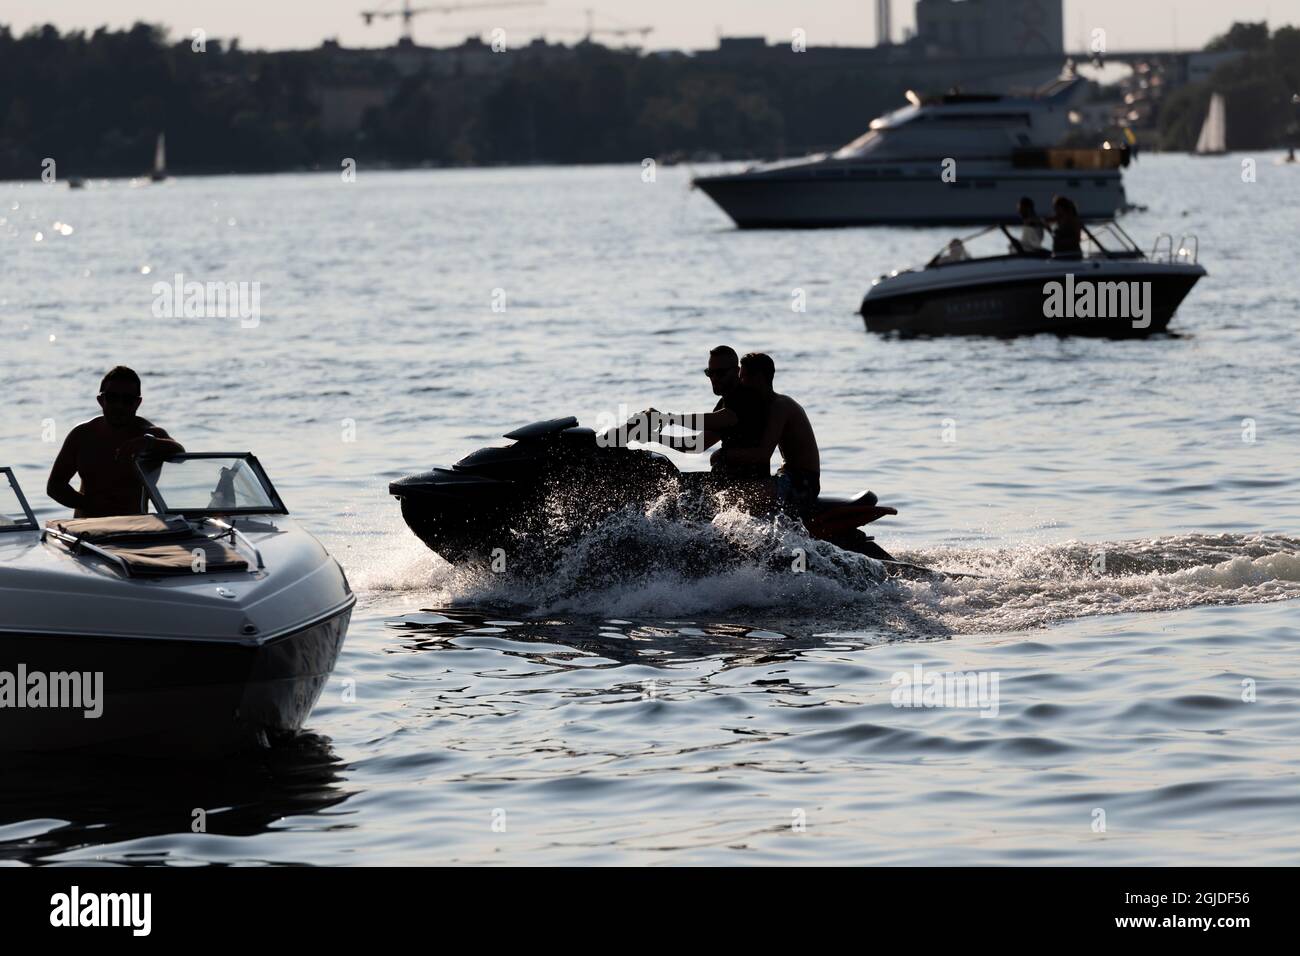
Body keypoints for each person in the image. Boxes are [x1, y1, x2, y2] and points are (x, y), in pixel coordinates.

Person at [47, 366, 185, 518]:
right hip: (88, 530)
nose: (119, 405)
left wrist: (148, 443)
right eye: (112, 398)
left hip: (135, 530)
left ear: (137, 403)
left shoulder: (150, 434)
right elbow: (55, 486)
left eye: (127, 400)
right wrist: (90, 504)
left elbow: (180, 454)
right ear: (101, 400)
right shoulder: (81, 435)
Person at [632, 346, 771, 481]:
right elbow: (696, 444)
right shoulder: (723, 403)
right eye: (710, 373)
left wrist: (666, 418)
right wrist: (654, 436)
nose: (714, 378)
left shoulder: (746, 398)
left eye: (721, 373)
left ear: (737, 371)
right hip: (722, 480)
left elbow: (720, 419)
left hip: (745, 484)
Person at [715, 353, 822, 519]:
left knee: (730, 499)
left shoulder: (779, 406)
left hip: (801, 482)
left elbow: (762, 454)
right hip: (784, 476)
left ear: (758, 378)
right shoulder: (762, 406)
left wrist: (724, 455)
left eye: (742, 377)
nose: (740, 382)